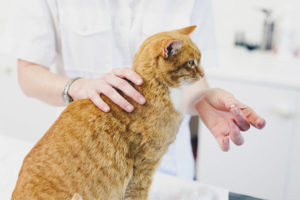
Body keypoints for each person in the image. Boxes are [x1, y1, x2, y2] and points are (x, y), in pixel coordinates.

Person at [1, 0, 265, 181]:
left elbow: (187, 77)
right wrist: (79, 86)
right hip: (86, 162)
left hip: (165, 168)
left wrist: (205, 103)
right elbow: (28, 73)